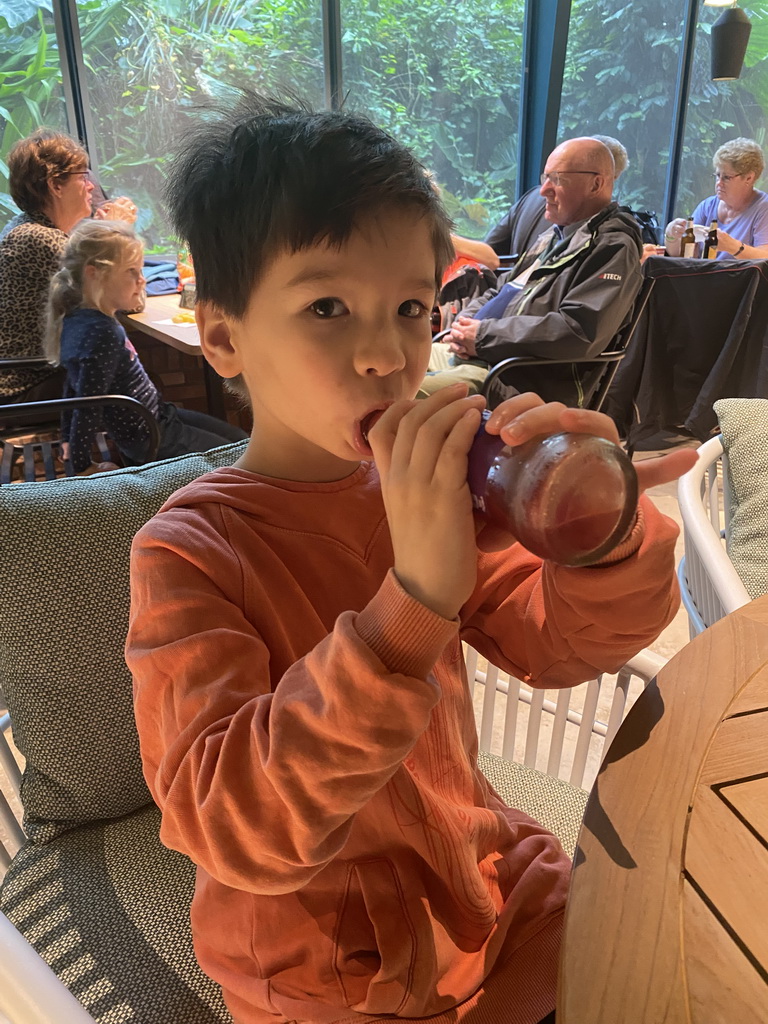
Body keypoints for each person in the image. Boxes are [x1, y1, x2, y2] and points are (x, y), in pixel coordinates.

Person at [124, 95, 697, 1024]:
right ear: (224, 338)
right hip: (337, 971)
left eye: (410, 308)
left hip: (493, 895)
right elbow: (234, 827)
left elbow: (561, 648)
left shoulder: (432, 495)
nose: (388, 354)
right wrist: (414, 602)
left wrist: (600, 536)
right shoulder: (193, 551)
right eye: (327, 307)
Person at [420, 137, 643, 406]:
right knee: (382, 368)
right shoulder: (556, 234)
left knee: (397, 392)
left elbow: (578, 331)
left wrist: (482, 336)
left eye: (557, 179)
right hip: (483, 355)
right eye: (545, 177)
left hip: (515, 378)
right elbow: (499, 289)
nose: (543, 190)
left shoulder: (613, 247)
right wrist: (463, 325)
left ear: (596, 184)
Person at [45, 219, 247, 475]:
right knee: (241, 457)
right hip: (150, 438)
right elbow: (87, 402)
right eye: (132, 271)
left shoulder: (80, 320)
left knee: (241, 441)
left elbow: (71, 390)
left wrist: (66, 441)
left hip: (160, 416)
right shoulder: (101, 332)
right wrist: (81, 463)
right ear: (93, 273)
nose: (142, 280)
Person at [0, 128, 138, 403]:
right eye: (84, 175)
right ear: (56, 185)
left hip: (33, 374)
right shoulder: (37, 238)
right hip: (25, 385)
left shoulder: (24, 227)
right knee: (134, 387)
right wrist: (117, 230)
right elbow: (127, 298)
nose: (91, 186)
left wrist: (102, 232)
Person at [484, 134, 629, 260]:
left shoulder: (531, 197)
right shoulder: (579, 225)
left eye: (558, 178)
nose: (544, 190)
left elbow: (490, 248)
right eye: (549, 177)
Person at [664, 138, 768, 260]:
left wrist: (732, 246)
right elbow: (683, 256)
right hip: (705, 277)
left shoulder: (763, 209)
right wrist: (671, 235)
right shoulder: (708, 206)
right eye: (718, 175)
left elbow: (765, 257)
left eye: (727, 177)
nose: (719, 183)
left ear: (749, 178)